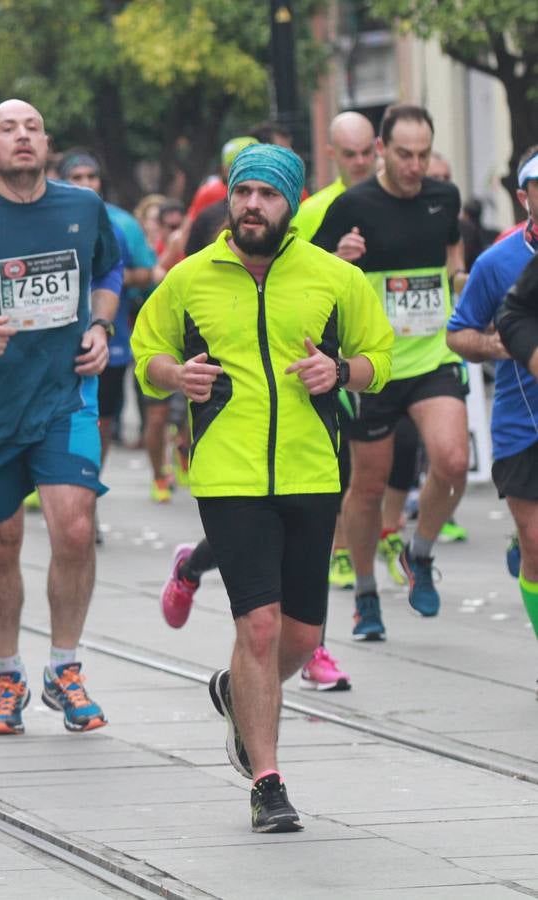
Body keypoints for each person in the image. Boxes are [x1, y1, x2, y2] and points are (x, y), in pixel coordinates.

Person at [132, 143, 393, 832]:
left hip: (312, 471)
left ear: (289, 203)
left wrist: (341, 374)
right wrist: (171, 376)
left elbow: (380, 358)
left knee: (300, 640)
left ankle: (234, 694)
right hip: (227, 474)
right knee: (259, 624)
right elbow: (145, 348)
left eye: (267, 195)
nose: (251, 205)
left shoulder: (334, 278)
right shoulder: (190, 278)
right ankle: (267, 781)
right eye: (242, 192)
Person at [0, 99, 122, 737]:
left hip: (65, 398)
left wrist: (99, 322)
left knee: (74, 526)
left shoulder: (83, 208)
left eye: (32, 127)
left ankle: (65, 666)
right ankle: (8, 673)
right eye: (8, 129)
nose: (22, 137)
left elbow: (109, 268)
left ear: (47, 142)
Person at [313, 104, 469, 639]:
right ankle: (364, 593)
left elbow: (451, 242)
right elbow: (308, 277)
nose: (415, 165)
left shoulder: (442, 196)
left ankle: (418, 552)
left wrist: (458, 275)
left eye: (424, 154)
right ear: (382, 151)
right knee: (369, 485)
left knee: (452, 461)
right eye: (404, 154)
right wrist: (339, 255)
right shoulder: (353, 204)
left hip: (431, 357)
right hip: (372, 366)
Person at [452, 148, 538, 665]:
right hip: (520, 421)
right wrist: (499, 345)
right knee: (535, 544)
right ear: (524, 196)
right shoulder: (498, 261)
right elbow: (458, 334)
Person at [60, 150, 160, 499]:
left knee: (100, 420)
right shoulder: (45, 219)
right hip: (53, 341)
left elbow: (151, 273)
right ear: (62, 181)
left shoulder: (121, 223)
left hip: (107, 339)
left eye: (92, 177)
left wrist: (103, 279)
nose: (86, 184)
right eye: (77, 178)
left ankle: (89, 490)